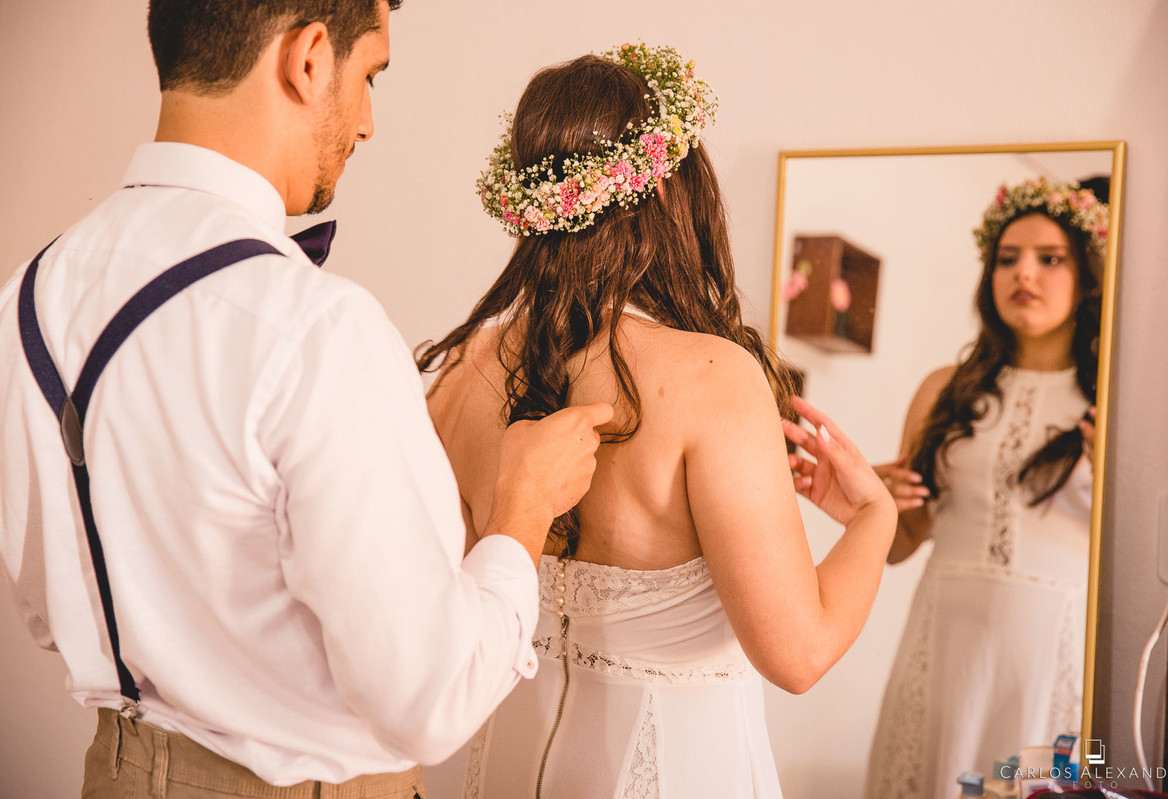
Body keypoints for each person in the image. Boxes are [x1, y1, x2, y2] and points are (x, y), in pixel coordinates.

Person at [0, 1, 613, 796]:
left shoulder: (25, 300)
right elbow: (431, 700)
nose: (366, 123)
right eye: (369, 77)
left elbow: (52, 608)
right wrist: (521, 511)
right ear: (310, 57)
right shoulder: (316, 327)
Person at [416, 44, 898, 798]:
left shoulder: (464, 370)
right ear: (673, 193)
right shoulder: (712, 378)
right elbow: (799, 654)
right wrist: (875, 514)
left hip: (490, 763)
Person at [864, 177, 1107, 799]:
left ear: (1088, 277)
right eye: (1007, 258)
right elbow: (898, 546)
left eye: (1050, 259)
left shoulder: (1114, 398)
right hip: (944, 636)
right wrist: (879, 506)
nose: (1024, 273)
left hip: (1054, 642)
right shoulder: (945, 390)